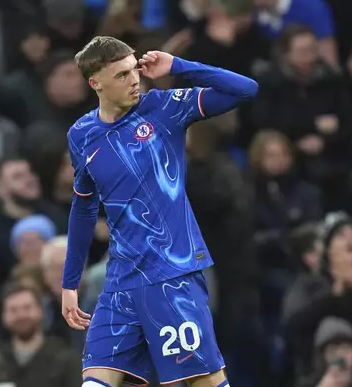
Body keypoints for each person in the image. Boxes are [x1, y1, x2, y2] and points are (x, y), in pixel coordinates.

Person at [61, 36, 258, 387]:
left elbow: (245, 89)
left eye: (134, 69)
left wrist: (179, 66)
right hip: (120, 280)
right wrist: (70, 282)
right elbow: (84, 207)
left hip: (172, 274)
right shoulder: (81, 134)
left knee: (204, 381)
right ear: (96, 83)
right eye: (121, 75)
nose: (135, 79)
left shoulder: (163, 108)